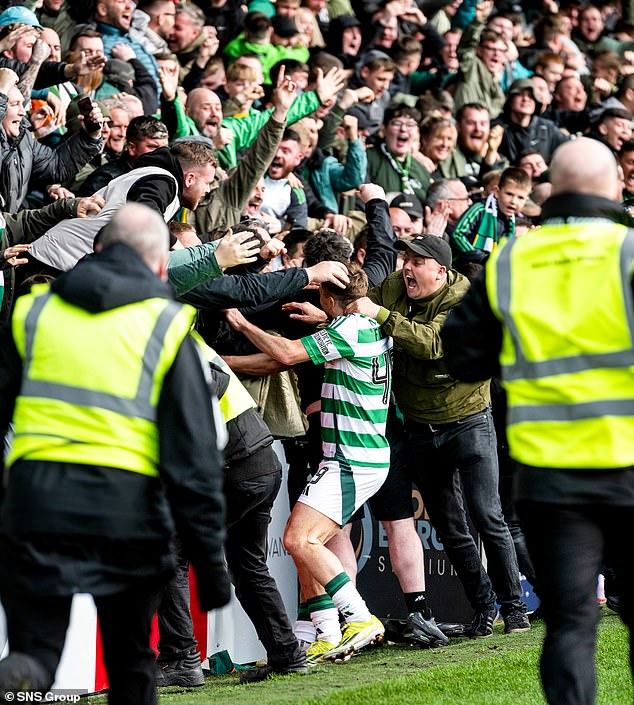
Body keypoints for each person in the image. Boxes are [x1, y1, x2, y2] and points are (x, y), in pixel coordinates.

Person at [0, 203, 231, 703]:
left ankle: (27, 667)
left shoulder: (33, 312)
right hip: (126, 510)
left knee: (35, 650)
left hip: (37, 504)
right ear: (160, 265)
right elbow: (196, 458)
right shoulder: (168, 325)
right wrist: (211, 566)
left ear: (96, 249)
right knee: (131, 660)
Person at [440, 136, 634, 705]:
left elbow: (464, 356)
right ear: (615, 188)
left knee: (571, 623)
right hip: (627, 465)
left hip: (548, 474)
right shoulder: (629, 254)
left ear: (552, 192)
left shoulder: (511, 261)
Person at [347, 234, 530, 638]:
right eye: (405, 258)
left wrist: (379, 315)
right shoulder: (394, 286)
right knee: (449, 525)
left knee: (488, 516)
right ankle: (483, 608)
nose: (407, 267)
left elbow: (433, 343)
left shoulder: (463, 297)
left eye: (417, 261)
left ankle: (514, 608)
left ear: (440, 271)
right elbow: (359, 309)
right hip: (420, 427)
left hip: (468, 421)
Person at [226, 262, 392, 664]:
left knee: (300, 540)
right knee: (299, 541)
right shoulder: (359, 328)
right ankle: (323, 633)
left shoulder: (348, 330)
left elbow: (283, 352)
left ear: (330, 299)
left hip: (354, 456)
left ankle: (360, 617)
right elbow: (279, 362)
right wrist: (221, 363)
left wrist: (239, 321)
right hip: (352, 455)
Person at [451, 166, 531, 267]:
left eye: (520, 197)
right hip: (462, 268)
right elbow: (457, 235)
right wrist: (482, 258)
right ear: (497, 192)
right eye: (509, 194)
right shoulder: (479, 209)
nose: (514, 201)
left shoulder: (511, 221)